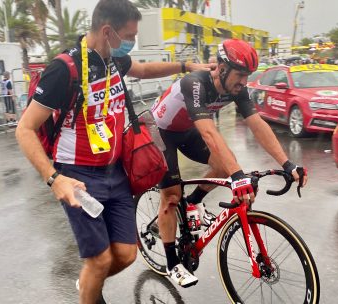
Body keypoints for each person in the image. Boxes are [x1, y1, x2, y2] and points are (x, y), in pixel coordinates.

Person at [15, 0, 213, 303]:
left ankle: (88, 283)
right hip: (77, 176)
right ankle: (91, 285)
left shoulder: (113, 60)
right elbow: (24, 129)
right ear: (108, 31)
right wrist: (55, 179)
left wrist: (187, 66)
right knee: (100, 261)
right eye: (129, 36)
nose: (132, 42)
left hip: (116, 171)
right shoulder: (65, 69)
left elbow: (145, 70)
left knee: (125, 254)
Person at [151, 39, 308, 287]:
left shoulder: (237, 89)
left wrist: (288, 164)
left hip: (186, 129)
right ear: (222, 68)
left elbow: (257, 124)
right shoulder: (196, 83)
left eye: (248, 76)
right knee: (171, 194)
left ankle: (193, 202)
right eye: (240, 75)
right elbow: (209, 133)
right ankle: (172, 264)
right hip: (160, 131)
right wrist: (237, 176)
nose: (244, 82)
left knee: (228, 165)